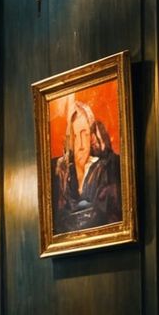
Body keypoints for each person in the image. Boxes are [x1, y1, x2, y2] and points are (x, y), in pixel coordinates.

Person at [51, 98, 122, 233]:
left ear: (91, 137)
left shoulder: (104, 169)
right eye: (75, 136)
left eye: (85, 134)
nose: (81, 145)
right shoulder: (62, 173)